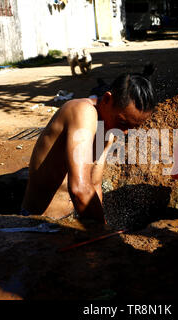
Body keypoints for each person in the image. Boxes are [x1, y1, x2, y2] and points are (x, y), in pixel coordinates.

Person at [21, 71, 155, 223]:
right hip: (36, 223)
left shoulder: (109, 130)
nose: (124, 132)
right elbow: (79, 188)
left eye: (132, 128)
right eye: (123, 123)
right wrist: (102, 232)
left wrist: (100, 223)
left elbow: (95, 184)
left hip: (67, 221)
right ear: (106, 99)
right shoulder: (82, 111)